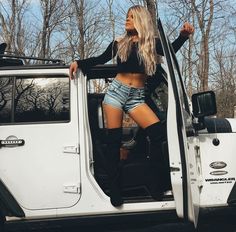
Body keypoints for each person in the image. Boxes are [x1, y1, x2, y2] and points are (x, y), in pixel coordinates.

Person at [69, 5, 194, 207]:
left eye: (131, 17)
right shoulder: (119, 43)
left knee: (158, 135)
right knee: (114, 143)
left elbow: (171, 51)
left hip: (137, 97)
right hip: (116, 93)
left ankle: (156, 184)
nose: (126, 20)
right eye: (126, 17)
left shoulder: (152, 44)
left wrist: (183, 36)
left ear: (140, 20)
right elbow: (99, 59)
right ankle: (115, 189)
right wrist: (79, 62)